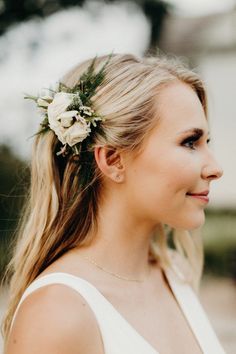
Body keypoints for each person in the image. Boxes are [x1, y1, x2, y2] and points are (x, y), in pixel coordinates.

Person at [2, 53, 225, 354]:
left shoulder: (173, 272)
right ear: (113, 159)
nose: (215, 168)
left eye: (206, 143)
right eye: (189, 142)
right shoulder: (58, 315)